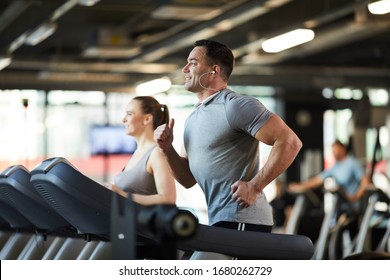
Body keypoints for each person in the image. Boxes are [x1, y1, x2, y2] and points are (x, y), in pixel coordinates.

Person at [154, 39, 302, 240]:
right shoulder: (192, 119)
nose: (185, 69)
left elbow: (290, 142)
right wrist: (167, 149)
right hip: (220, 220)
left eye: (193, 63)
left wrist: (255, 186)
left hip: (243, 220)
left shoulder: (235, 106)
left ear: (213, 71)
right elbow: (187, 179)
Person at [104, 96, 176, 206]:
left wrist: (123, 195)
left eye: (129, 113)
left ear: (147, 119)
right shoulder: (137, 153)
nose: (124, 119)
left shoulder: (156, 153)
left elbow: (168, 198)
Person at [288, 139, 368, 204]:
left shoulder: (352, 163)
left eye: (336, 150)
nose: (334, 153)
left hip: (355, 205)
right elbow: (317, 180)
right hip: (342, 205)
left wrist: (355, 197)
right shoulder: (335, 167)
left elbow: (365, 182)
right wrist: (300, 186)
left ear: (343, 149)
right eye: (333, 151)